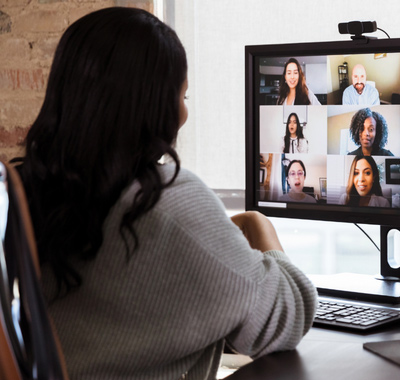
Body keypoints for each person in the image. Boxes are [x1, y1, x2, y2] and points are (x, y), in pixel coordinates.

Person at [12, 8, 317, 379]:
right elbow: (287, 316)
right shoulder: (167, 200)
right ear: (154, 103)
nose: (185, 114)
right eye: (183, 96)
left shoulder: (30, 189)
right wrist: (257, 226)